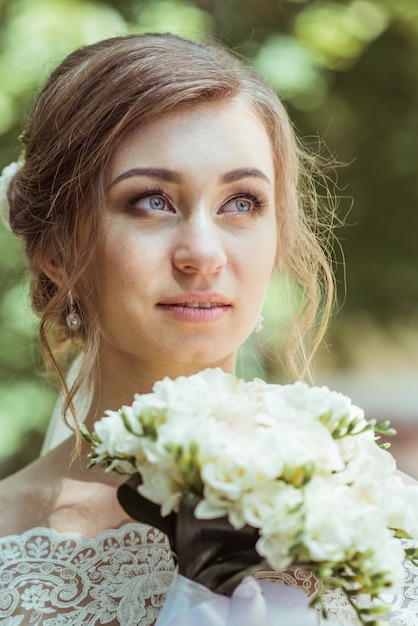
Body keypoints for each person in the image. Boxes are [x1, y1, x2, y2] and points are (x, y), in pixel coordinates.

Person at [0, 33, 416, 625]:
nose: (202, 253)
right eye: (151, 201)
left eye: (242, 203)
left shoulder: (373, 516)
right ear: (58, 252)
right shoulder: (9, 544)